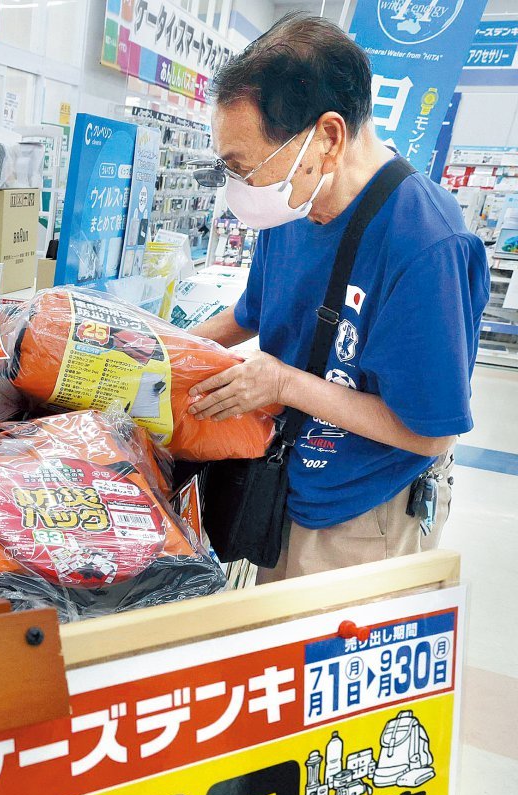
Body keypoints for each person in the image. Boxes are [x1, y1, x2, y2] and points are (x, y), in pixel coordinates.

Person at [188, 14, 488, 581]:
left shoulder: (425, 243)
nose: (242, 189)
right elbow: (250, 314)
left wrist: (282, 382)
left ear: (327, 137)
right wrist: (149, 351)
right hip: (282, 484)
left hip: (363, 511)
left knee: (321, 661)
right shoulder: (290, 201)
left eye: (244, 168)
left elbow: (431, 430)